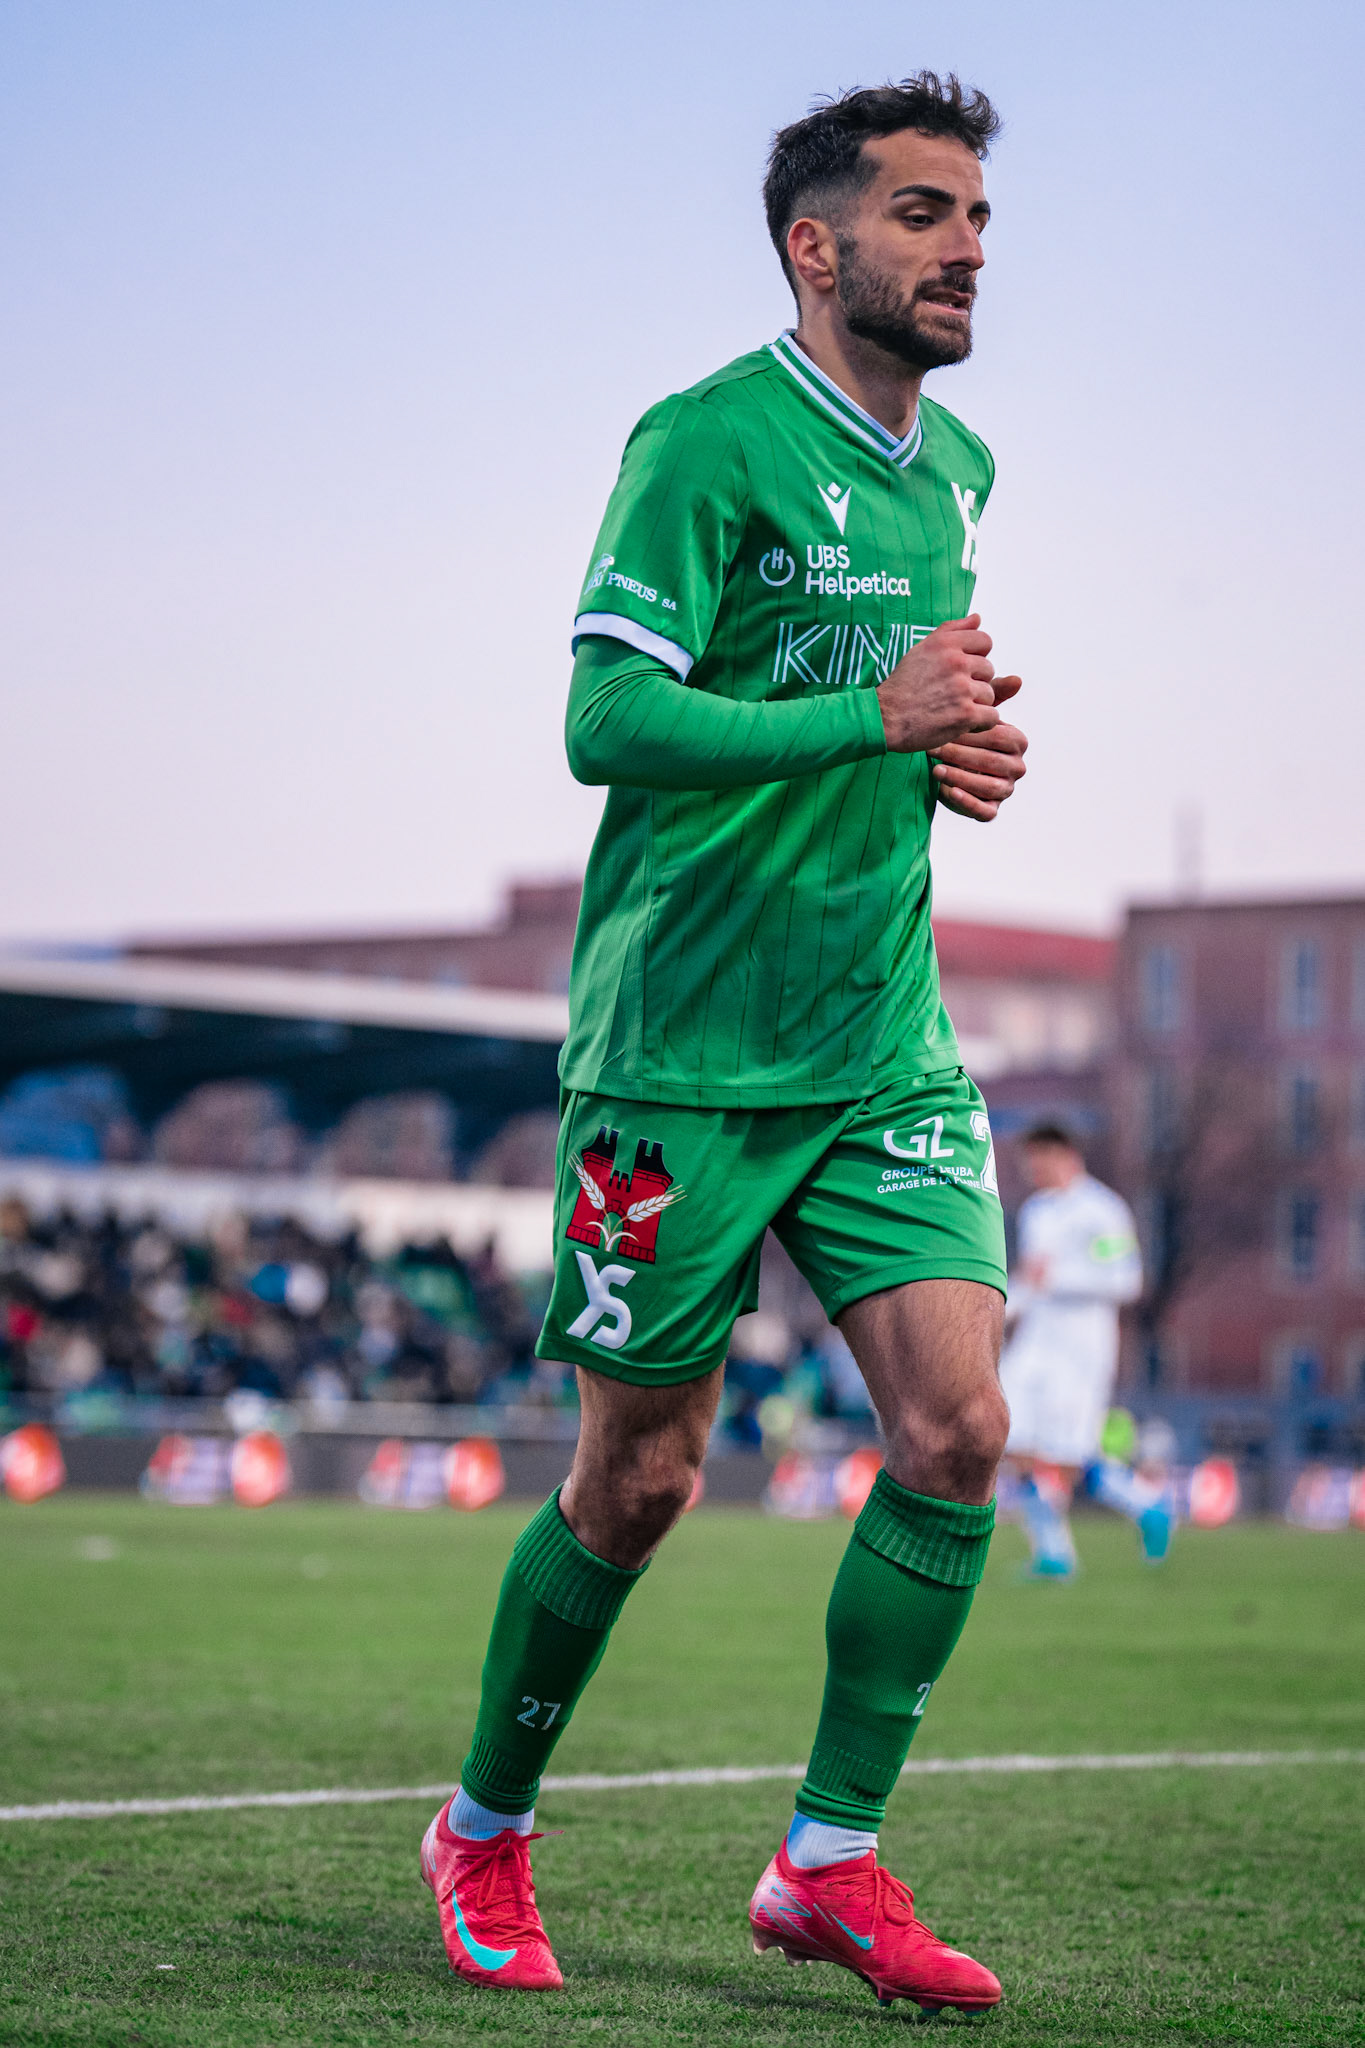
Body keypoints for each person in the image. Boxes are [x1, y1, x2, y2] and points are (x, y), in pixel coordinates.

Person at [421, 74, 1028, 2016]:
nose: (963, 248)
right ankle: (481, 1824)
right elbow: (608, 721)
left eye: (975, 218)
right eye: (923, 213)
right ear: (815, 243)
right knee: (641, 1481)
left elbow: (885, 713)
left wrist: (953, 750)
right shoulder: (700, 439)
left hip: (878, 1044)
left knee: (956, 1430)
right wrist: (869, 713)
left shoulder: (961, 472)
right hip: (676, 1057)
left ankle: (827, 1861)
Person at [999, 1123, 1171, 1577]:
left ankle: (1147, 1506)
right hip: (1036, 1341)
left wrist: (1057, 1281)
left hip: (1082, 1348)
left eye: (1040, 1162)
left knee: (1068, 1455)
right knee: (1008, 1439)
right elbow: (1031, 1282)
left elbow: (1126, 1280)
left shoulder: (1104, 1210)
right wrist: (995, 1312)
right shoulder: (1036, 1211)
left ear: (1066, 1156)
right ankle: (1053, 1552)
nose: (1034, 1172)